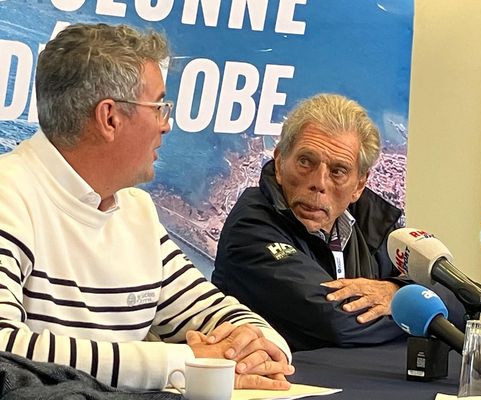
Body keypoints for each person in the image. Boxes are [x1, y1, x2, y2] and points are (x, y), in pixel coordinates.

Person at [0, 23, 294, 392]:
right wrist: (189, 363)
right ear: (110, 118)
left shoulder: (136, 210)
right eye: (158, 106)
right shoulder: (8, 195)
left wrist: (256, 348)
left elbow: (217, 312)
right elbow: (5, 352)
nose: (167, 125)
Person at [213, 94, 409, 351]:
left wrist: (396, 291)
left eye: (338, 171)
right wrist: (413, 309)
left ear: (359, 185)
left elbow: (460, 298)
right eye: (306, 162)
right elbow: (335, 320)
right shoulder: (250, 225)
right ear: (280, 163)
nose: (319, 182)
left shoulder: (372, 221)